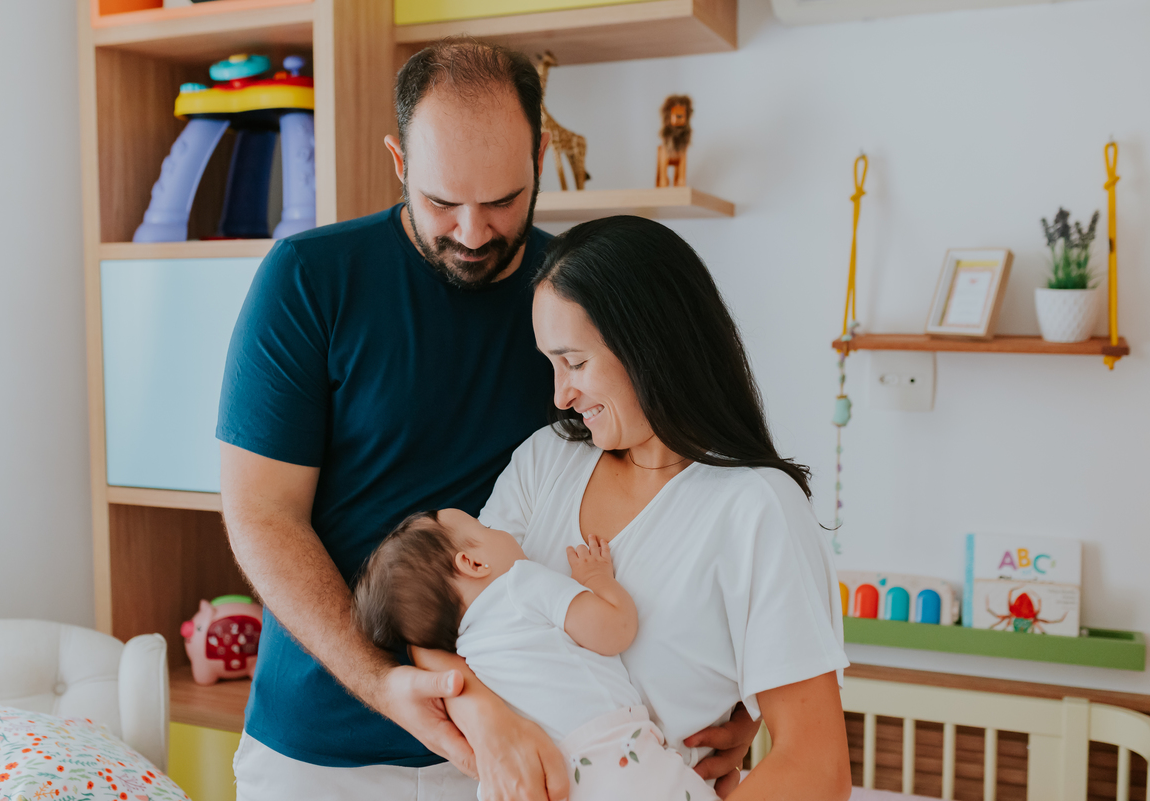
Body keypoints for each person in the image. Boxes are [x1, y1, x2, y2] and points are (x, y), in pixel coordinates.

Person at [216, 40, 756, 801]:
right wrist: (392, 683)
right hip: (321, 745)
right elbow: (262, 515)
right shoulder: (308, 280)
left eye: (503, 200)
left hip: (533, 743)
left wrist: (732, 692)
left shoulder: (576, 299)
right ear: (399, 162)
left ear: (540, 158)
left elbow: (660, 488)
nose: (473, 232)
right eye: (442, 202)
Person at [414, 216, 853, 800]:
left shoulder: (755, 509)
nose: (560, 395)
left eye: (575, 363)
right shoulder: (546, 460)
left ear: (651, 345)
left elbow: (816, 767)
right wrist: (485, 718)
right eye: (551, 364)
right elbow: (435, 620)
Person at [354, 508, 720, 801]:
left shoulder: (466, 654)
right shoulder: (519, 584)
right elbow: (615, 630)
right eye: (485, 527)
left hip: (529, 779)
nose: (499, 530)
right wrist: (597, 580)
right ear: (474, 564)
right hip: (610, 758)